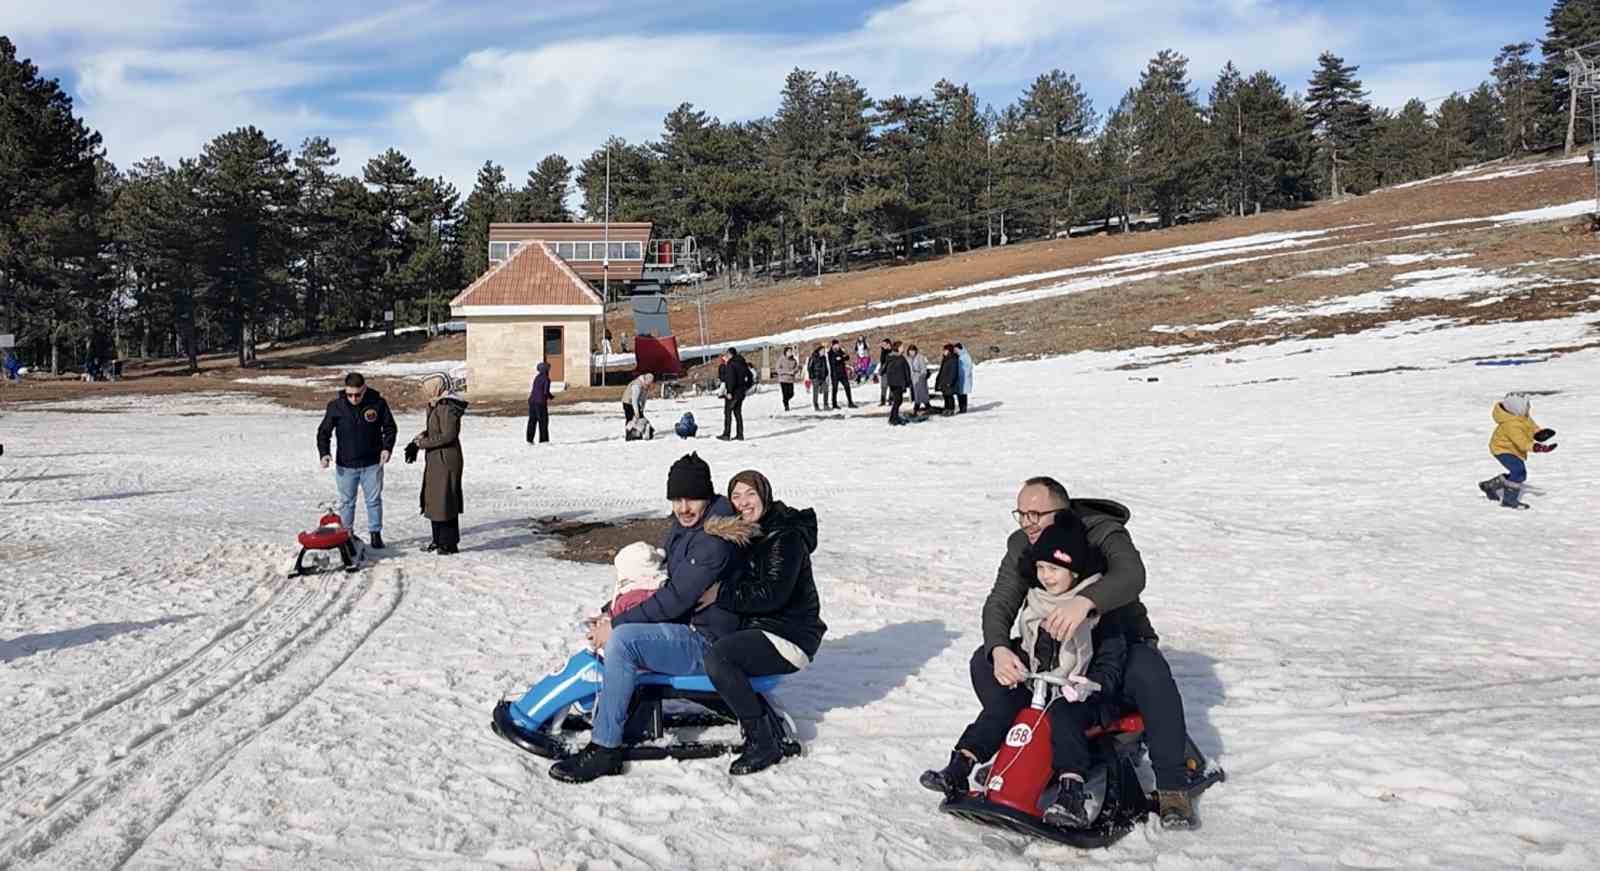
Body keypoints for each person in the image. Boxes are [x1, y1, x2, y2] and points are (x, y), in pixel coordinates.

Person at [947, 477, 1198, 829]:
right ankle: (1032, 755)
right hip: (1056, 652)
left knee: (1149, 670)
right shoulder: (1023, 544)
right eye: (1021, 514)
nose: (1027, 523)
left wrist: (1085, 602)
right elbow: (1001, 601)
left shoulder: (1102, 532)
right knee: (984, 661)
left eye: (1036, 514)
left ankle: (1172, 786)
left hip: (1115, 645)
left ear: (1063, 510)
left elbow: (1132, 575)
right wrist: (999, 649)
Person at [549, 453, 756, 783]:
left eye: (692, 499)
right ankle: (608, 704)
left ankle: (604, 749)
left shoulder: (713, 541)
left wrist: (617, 625)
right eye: (677, 499)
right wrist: (612, 611)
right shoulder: (688, 527)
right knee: (617, 629)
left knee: (623, 642)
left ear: (707, 496)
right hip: (687, 625)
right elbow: (661, 584)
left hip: (711, 644)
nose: (683, 507)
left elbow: (675, 599)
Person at [921, 521, 1127, 828]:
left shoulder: (1098, 609)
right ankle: (961, 765)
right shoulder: (1037, 600)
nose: (1046, 576)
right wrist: (1015, 663)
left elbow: (1111, 660)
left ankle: (1071, 793)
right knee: (1004, 705)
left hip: (1084, 695)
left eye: (1054, 569)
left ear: (1075, 571)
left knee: (1064, 716)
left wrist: (1090, 684)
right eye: (1041, 567)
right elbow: (1032, 648)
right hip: (1039, 687)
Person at [704, 469, 826, 775]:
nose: (743, 502)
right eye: (736, 496)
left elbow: (771, 595)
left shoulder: (783, 536)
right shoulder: (749, 532)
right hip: (764, 628)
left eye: (751, 494)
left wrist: (721, 593)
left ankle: (762, 740)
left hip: (789, 635)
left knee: (720, 657)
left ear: (765, 496)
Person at [316, 372, 397, 550]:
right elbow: (324, 432)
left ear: (364, 389)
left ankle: (375, 534)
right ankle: (347, 534)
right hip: (346, 465)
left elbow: (390, 428)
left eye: (358, 395)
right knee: (347, 502)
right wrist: (324, 453)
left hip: (372, 463)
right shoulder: (336, 406)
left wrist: (387, 448)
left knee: (373, 500)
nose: (353, 398)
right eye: (350, 395)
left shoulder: (377, 403)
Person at [413, 374, 467, 554]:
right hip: (436, 458)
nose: (424, 392)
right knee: (434, 499)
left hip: (445, 460)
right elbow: (435, 430)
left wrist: (422, 443)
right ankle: (437, 539)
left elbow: (448, 435)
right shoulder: (436, 404)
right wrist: (422, 436)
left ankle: (448, 543)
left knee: (445, 500)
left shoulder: (447, 407)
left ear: (435, 387)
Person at [1478, 393, 1558, 509]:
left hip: (1512, 448)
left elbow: (1531, 426)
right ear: (1517, 408)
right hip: (1502, 449)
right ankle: (1509, 500)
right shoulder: (1511, 425)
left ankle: (1489, 485)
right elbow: (1522, 443)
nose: (1529, 407)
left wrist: (1539, 433)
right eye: (1527, 405)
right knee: (1518, 472)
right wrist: (1539, 448)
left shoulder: (1522, 416)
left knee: (1518, 473)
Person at [718, 348, 754, 441]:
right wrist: (746, 387)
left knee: (728, 413)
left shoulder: (731, 364)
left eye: (727, 354)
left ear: (730, 355)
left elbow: (731, 379)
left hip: (733, 393)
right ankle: (740, 434)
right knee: (738, 413)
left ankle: (726, 434)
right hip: (741, 392)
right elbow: (750, 376)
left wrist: (729, 392)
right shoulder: (742, 363)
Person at [881, 341, 912, 426]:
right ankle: (893, 418)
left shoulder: (893, 357)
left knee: (897, 400)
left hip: (895, 382)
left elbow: (906, 370)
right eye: (902, 347)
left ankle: (894, 417)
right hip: (897, 382)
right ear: (897, 348)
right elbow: (906, 370)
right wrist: (908, 381)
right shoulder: (899, 358)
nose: (903, 348)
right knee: (898, 400)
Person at [527, 362, 553, 444]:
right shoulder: (546, 379)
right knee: (543, 421)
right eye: (548, 369)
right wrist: (551, 397)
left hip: (532, 401)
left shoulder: (537, 377)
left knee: (532, 421)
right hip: (540, 403)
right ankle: (543, 440)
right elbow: (545, 392)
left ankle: (529, 439)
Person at [827, 340, 856, 409]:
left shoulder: (841, 351)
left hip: (843, 373)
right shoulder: (830, 353)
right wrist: (841, 358)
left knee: (847, 387)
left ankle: (850, 402)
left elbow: (847, 357)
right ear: (832, 345)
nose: (837, 346)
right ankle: (834, 404)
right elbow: (834, 361)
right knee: (835, 389)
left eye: (838, 345)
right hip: (835, 374)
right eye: (835, 345)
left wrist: (841, 358)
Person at [934, 345, 960, 417]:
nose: (944, 352)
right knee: (945, 396)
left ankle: (951, 409)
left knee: (949, 396)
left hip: (949, 381)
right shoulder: (945, 359)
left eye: (945, 350)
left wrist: (950, 382)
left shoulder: (953, 359)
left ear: (949, 351)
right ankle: (946, 408)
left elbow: (953, 372)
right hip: (943, 381)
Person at [907, 344, 931, 416]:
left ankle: (917, 406)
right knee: (916, 392)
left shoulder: (920, 357)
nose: (912, 353)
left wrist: (922, 376)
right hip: (913, 377)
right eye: (910, 351)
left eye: (913, 351)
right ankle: (926, 405)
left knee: (922, 392)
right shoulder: (908, 358)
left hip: (920, 376)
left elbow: (923, 368)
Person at [775, 346, 801, 412]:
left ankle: (785, 400)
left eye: (791, 351)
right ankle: (786, 405)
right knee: (785, 393)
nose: (790, 352)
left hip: (791, 379)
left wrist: (794, 371)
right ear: (785, 352)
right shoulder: (781, 359)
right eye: (789, 351)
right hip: (783, 379)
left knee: (791, 394)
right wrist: (787, 372)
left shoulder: (793, 359)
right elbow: (777, 369)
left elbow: (796, 367)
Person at [807, 346, 831, 411]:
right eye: (822, 351)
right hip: (815, 377)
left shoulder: (824, 358)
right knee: (816, 392)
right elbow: (809, 367)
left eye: (824, 351)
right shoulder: (813, 357)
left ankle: (826, 405)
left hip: (823, 377)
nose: (823, 352)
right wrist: (812, 376)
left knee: (826, 390)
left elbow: (825, 366)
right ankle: (816, 405)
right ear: (819, 351)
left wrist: (826, 373)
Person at [955, 343, 974, 413]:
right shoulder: (958, 356)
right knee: (959, 393)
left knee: (963, 394)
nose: (955, 351)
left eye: (956, 349)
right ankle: (961, 407)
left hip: (964, 378)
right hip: (959, 378)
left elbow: (969, 367)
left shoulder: (965, 356)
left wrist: (965, 375)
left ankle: (963, 408)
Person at [877, 338, 894, 405]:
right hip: (884, 371)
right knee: (883, 386)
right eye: (882, 344)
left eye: (884, 344)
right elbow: (882, 361)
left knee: (891, 385)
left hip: (891, 370)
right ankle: (882, 401)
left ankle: (890, 400)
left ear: (888, 344)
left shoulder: (892, 351)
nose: (883, 345)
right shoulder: (883, 351)